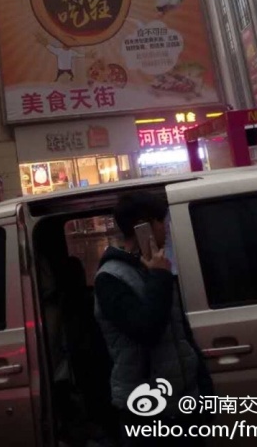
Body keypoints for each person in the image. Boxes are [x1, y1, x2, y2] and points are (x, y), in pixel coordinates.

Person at [93, 191, 213, 446]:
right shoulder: (110, 278)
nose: (165, 228)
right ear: (143, 226)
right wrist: (159, 277)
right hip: (146, 411)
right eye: (161, 221)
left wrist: (203, 389)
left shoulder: (153, 267)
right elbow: (146, 330)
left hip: (183, 403)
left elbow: (181, 334)